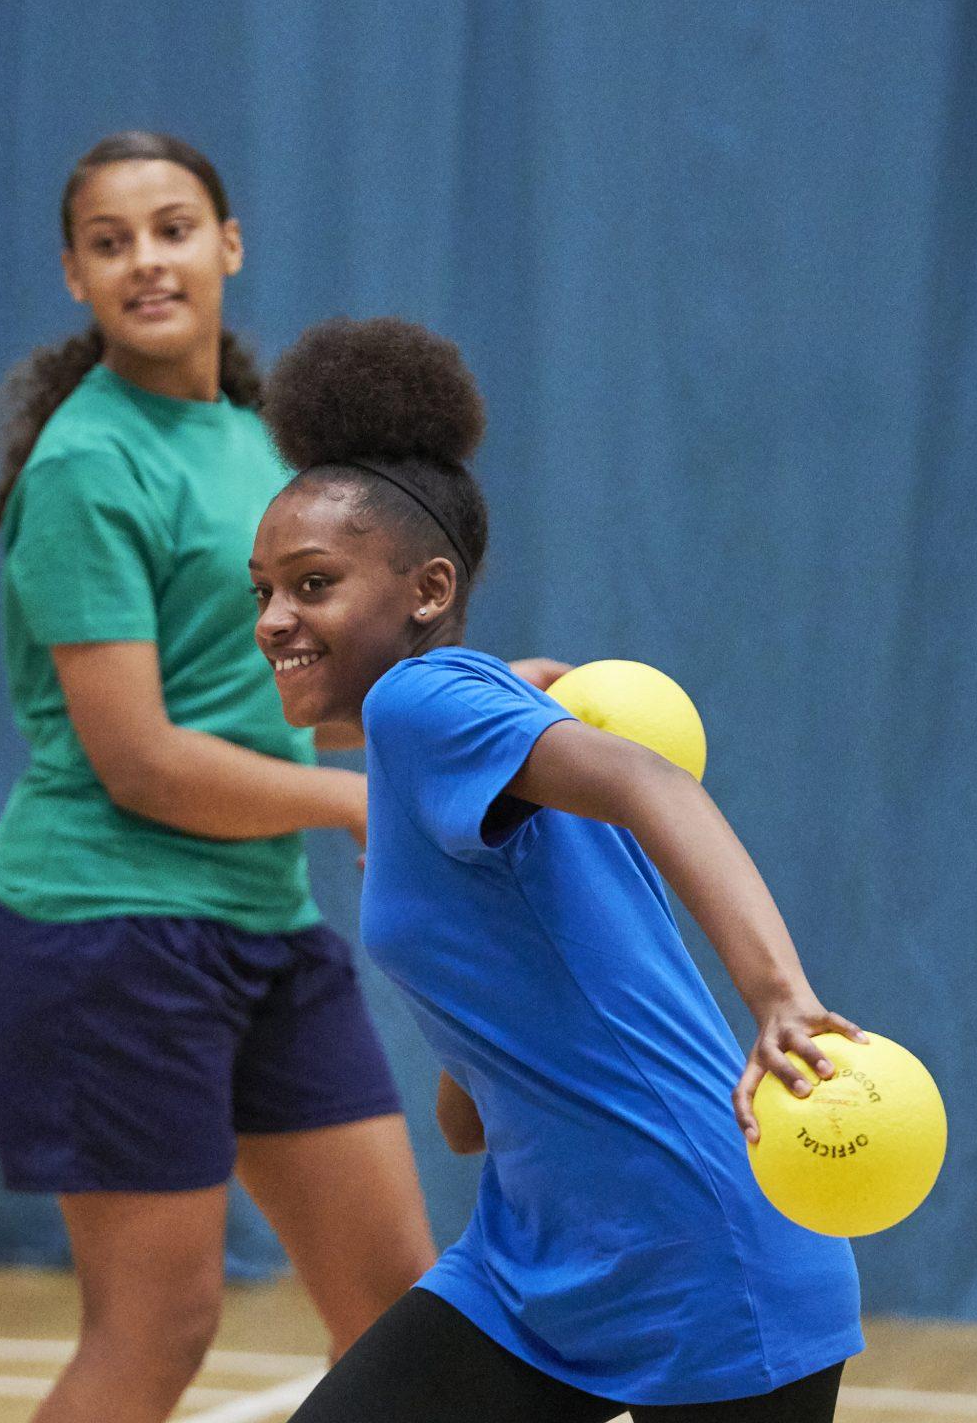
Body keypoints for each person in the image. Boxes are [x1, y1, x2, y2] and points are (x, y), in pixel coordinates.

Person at [248, 318, 867, 1422]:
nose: (274, 620)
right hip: (534, 1267)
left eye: (312, 584)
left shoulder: (423, 704)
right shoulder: (466, 735)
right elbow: (466, 1120)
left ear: (427, 590)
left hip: (699, 1254)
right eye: (263, 590)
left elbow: (654, 783)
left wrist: (779, 998)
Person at [0, 134, 434, 1423]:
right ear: (74, 275)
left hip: (259, 928)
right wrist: (365, 803)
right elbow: (144, 761)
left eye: (172, 229)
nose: (146, 261)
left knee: (403, 1319)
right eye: (110, 242)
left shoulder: (261, 447)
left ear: (228, 246)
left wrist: (485, 724)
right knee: (157, 1326)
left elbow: (288, 711)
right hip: (104, 936)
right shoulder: (84, 465)